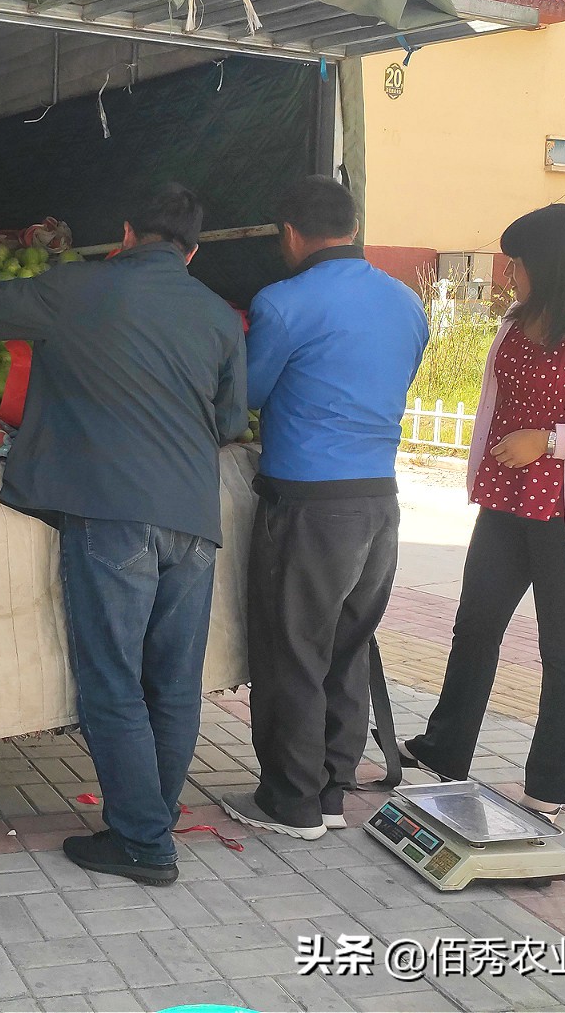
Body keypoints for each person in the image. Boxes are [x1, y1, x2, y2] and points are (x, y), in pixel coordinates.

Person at [0, 184, 246, 886]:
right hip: (193, 519)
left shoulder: (80, 286)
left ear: (125, 234)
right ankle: (152, 818)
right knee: (174, 683)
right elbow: (229, 421)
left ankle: (144, 841)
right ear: (191, 251)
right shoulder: (218, 316)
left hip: (112, 513)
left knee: (113, 679)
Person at [221, 176, 427, 841]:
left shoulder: (283, 302)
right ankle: (332, 790)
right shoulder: (406, 302)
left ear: (289, 233)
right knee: (347, 648)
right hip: (380, 500)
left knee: (293, 652)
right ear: (354, 225)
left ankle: (292, 801)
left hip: (309, 503)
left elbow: (248, 394)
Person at [403, 204, 565, 816]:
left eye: (518, 264)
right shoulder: (512, 324)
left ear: (548, 265)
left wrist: (549, 442)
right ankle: (444, 750)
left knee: (564, 649)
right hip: (503, 506)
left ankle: (551, 786)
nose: (510, 276)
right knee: (474, 626)